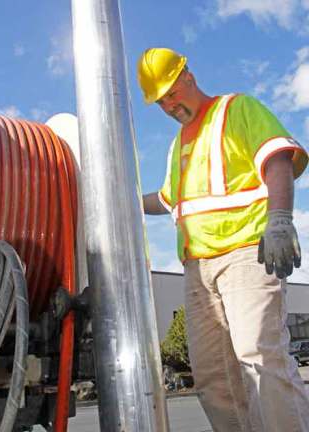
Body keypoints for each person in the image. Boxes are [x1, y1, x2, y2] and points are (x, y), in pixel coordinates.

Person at [137, 47, 309, 432]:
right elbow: (167, 200)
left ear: (187, 77)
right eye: (160, 100)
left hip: (246, 254)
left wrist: (279, 219)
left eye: (171, 92)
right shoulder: (178, 145)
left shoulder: (236, 109)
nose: (168, 104)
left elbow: (277, 158)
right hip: (197, 270)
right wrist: (126, 203)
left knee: (259, 359)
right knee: (213, 377)